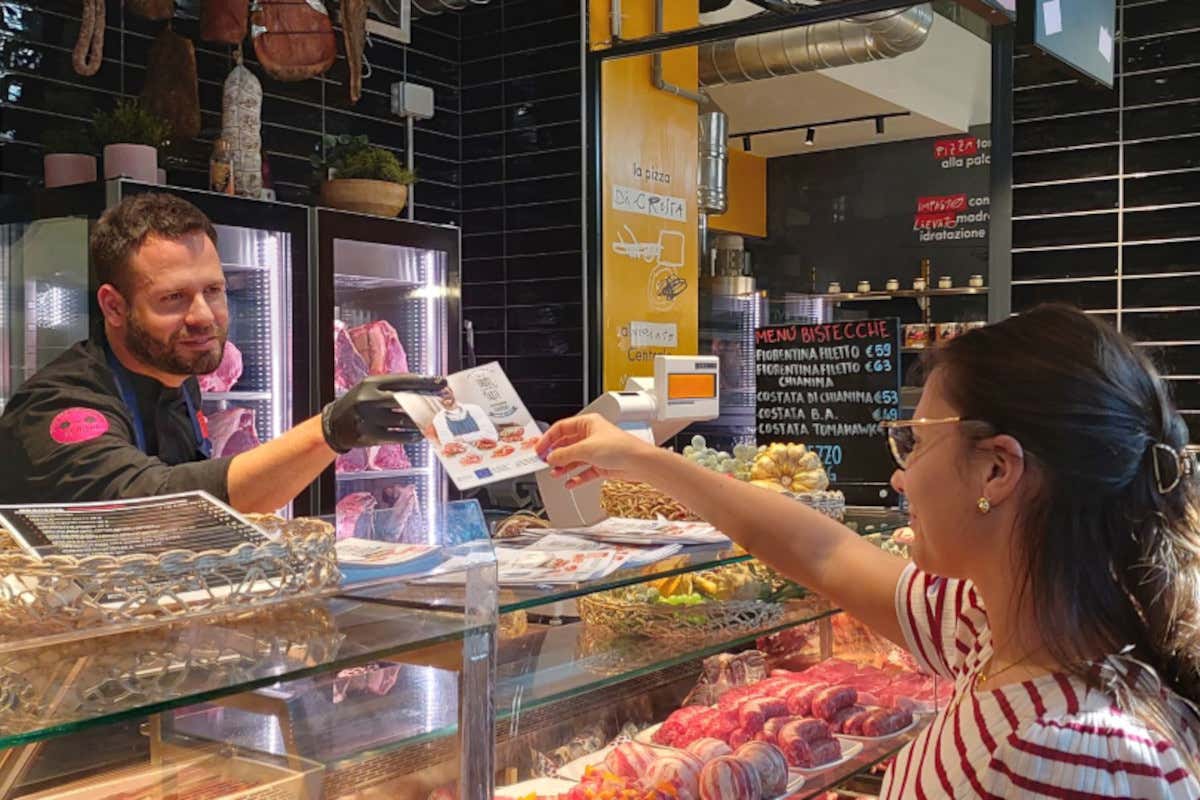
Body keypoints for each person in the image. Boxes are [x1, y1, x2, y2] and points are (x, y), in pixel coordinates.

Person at [537, 304, 1200, 797]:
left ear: (997, 470)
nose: (899, 477)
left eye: (914, 443)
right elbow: (821, 551)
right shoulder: (996, 626)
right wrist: (636, 456)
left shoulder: (1064, 751)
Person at [0, 193, 443, 513]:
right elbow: (147, 506)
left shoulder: (180, 381)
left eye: (213, 290)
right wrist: (330, 429)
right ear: (114, 306)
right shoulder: (59, 405)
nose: (203, 316)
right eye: (173, 298)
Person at [431, 387, 497, 446]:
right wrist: (477, 436)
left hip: (487, 448)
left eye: (446, 393)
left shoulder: (475, 408)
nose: (444, 397)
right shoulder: (438, 419)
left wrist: (461, 438)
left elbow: (490, 434)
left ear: (452, 392)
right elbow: (448, 444)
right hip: (462, 456)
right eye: (439, 395)